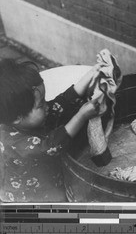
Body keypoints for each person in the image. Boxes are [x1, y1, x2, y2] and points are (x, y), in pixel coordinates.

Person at [0, 59, 101, 202]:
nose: (47, 106)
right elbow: (51, 146)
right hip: (31, 197)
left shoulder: (23, 119)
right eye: (41, 105)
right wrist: (81, 116)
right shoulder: (13, 142)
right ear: (17, 117)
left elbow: (61, 103)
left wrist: (93, 72)